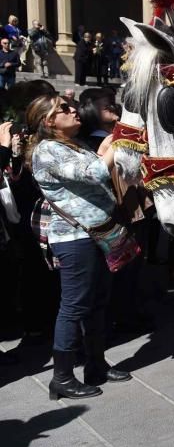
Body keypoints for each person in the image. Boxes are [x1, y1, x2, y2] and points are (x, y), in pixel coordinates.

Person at [25, 93, 132, 400]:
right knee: (74, 306)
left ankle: (96, 365)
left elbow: (96, 169)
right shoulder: (47, 150)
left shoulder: (74, 144)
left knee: (97, 301)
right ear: (49, 121)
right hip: (74, 237)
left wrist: (105, 148)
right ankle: (62, 378)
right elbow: (96, 172)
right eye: (64, 109)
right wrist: (118, 142)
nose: (74, 110)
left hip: (97, 233)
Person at [77, 88, 120, 152]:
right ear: (91, 112)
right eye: (106, 107)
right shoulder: (95, 143)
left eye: (112, 104)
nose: (113, 108)